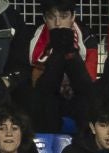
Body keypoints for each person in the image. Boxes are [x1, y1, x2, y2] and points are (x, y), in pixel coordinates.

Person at [22, 0, 99, 137]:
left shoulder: (87, 38)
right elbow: (36, 86)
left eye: (63, 17)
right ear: (45, 18)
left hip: (76, 98)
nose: (58, 23)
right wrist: (56, 55)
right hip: (45, 100)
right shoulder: (30, 36)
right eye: (52, 17)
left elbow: (88, 85)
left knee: (90, 102)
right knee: (39, 101)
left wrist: (70, 53)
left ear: (73, 16)